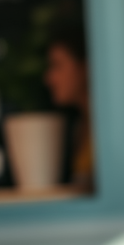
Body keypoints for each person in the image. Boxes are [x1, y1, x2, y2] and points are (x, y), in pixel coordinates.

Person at [43, 26, 93, 190]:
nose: (49, 79)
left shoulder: (111, 128)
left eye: (57, 65)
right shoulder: (81, 126)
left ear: (84, 67)